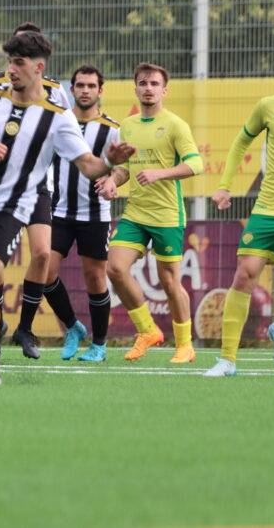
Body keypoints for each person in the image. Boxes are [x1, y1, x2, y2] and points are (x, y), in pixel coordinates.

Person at [0, 32, 134, 385]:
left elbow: (89, 166)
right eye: (9, 62)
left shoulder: (57, 116)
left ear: (38, 68)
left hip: (11, 210)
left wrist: (109, 161)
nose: (11, 70)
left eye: (19, 63)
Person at [0, 22, 73, 360]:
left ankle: (25, 328)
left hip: (38, 185)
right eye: (14, 51)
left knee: (43, 254)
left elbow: (66, 137)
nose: (18, 59)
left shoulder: (55, 91)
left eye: (26, 52)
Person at [205, 43, 274, 376]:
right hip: (270, 205)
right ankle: (227, 360)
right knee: (244, 274)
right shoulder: (269, 106)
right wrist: (224, 185)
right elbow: (241, 142)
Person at [106, 62, 203, 364]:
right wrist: (111, 181)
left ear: (164, 90)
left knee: (170, 282)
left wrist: (160, 173)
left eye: (154, 84)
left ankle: (185, 345)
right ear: (135, 89)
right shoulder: (127, 126)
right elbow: (124, 169)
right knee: (115, 268)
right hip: (135, 214)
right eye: (143, 83)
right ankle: (147, 330)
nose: (148, 88)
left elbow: (195, 164)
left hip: (167, 216)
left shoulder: (175, 125)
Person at [42, 65, 120, 362]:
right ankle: (73, 326)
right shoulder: (58, 123)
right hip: (58, 212)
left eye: (91, 86)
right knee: (44, 273)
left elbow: (122, 168)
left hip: (95, 215)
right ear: (72, 89)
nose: (85, 90)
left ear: (100, 91)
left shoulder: (112, 129)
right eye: (80, 85)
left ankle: (99, 345)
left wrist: (113, 180)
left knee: (95, 279)